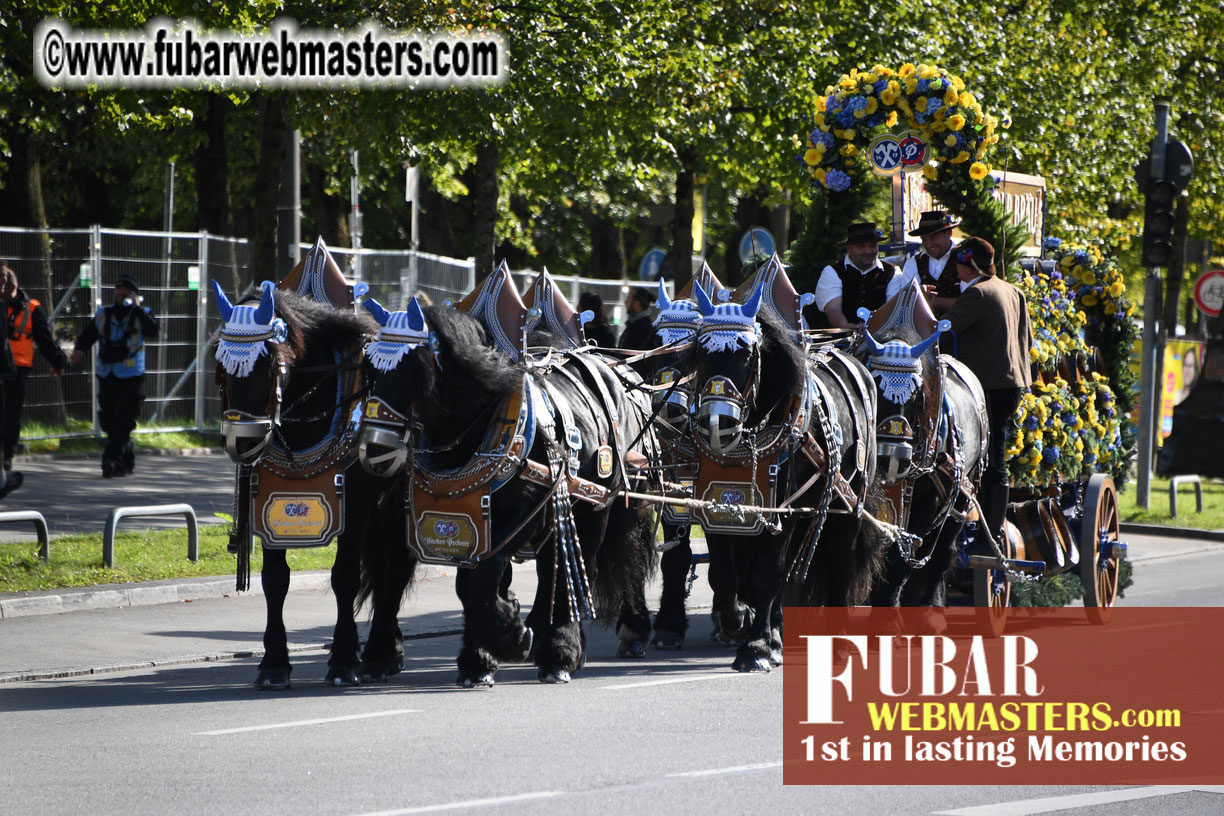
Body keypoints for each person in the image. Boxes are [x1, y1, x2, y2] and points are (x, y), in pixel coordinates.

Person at [939, 236, 1033, 546]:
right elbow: (1028, 340)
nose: (956, 270)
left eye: (958, 265)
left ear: (969, 267)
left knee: (989, 459)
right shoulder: (1013, 291)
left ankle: (989, 533)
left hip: (987, 387)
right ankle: (991, 529)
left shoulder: (977, 293)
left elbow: (943, 331)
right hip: (1012, 384)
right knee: (996, 455)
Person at [70, 275, 159, 478]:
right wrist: (80, 349)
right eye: (119, 289)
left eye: (127, 290)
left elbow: (153, 331)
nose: (122, 293)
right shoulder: (104, 314)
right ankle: (125, 454)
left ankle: (109, 460)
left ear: (135, 294)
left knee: (124, 418)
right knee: (109, 420)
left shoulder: (143, 313)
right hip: (107, 372)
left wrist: (137, 308)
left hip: (131, 374)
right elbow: (88, 335)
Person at [2, 264, 68, 477]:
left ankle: (7, 454)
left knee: (12, 412)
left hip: (18, 367)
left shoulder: (32, 309)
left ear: (12, 287)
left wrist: (58, 362)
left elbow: (44, 340)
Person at [813, 222, 906, 329]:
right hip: (843, 335)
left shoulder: (892, 272)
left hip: (882, 334)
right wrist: (844, 326)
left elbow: (892, 309)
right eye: (861, 247)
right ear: (849, 249)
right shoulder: (832, 272)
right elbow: (832, 309)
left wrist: (873, 328)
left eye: (872, 246)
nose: (868, 251)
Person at [898, 210, 962, 315]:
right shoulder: (913, 263)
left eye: (933, 237)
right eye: (924, 240)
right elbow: (905, 305)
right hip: (924, 325)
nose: (928, 245)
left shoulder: (963, 259)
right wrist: (917, 296)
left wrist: (929, 301)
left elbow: (971, 303)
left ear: (949, 233)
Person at [618, 286, 659, 352]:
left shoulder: (645, 329)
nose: (625, 302)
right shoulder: (633, 325)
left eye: (628, 299)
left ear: (636, 304)